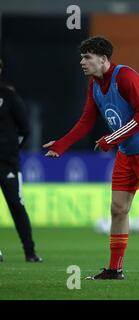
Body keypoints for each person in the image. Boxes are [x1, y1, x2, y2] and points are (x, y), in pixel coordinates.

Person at [43, 37, 139, 281]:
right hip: (126, 151)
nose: (82, 62)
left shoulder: (125, 76)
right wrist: (61, 145)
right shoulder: (93, 85)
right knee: (117, 209)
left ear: (103, 60)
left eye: (87, 57)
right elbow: (86, 121)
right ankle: (115, 269)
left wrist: (111, 138)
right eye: (82, 57)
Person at [0, 59, 42, 263]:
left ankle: (30, 252)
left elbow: (25, 128)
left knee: (16, 205)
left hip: (6, 162)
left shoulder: (8, 96)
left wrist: (11, 148)